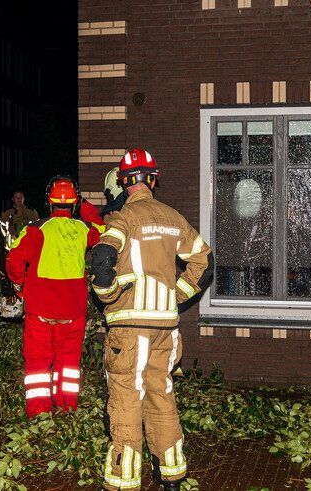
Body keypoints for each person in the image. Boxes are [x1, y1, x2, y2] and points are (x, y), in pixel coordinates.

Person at [90, 148, 214, 490]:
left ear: (123, 182)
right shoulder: (174, 218)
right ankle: (172, 475)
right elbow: (204, 261)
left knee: (127, 400)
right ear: (153, 179)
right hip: (166, 329)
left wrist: (109, 297)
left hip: (129, 329)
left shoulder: (121, 219)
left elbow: (101, 261)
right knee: (161, 396)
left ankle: (122, 482)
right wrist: (177, 294)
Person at [6, 177, 101, 418]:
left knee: (38, 365)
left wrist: (19, 288)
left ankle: (39, 416)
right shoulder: (84, 229)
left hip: (40, 311)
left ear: (49, 201)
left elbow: (14, 261)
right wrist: (87, 207)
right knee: (68, 365)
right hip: (73, 312)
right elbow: (104, 232)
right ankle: (67, 409)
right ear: (74, 202)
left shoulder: (36, 229)